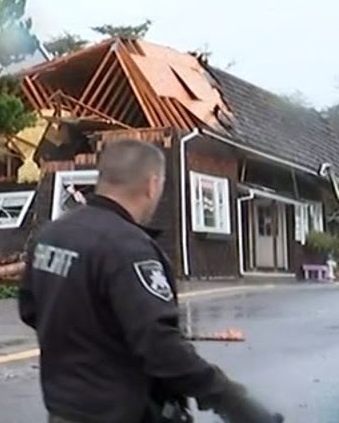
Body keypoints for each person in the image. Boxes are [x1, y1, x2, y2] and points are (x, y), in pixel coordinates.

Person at [18, 138, 282, 423]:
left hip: (63, 410)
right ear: (152, 184)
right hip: (120, 413)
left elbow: (31, 309)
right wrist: (233, 402)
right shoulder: (128, 248)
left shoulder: (51, 235)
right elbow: (160, 346)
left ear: (102, 178)